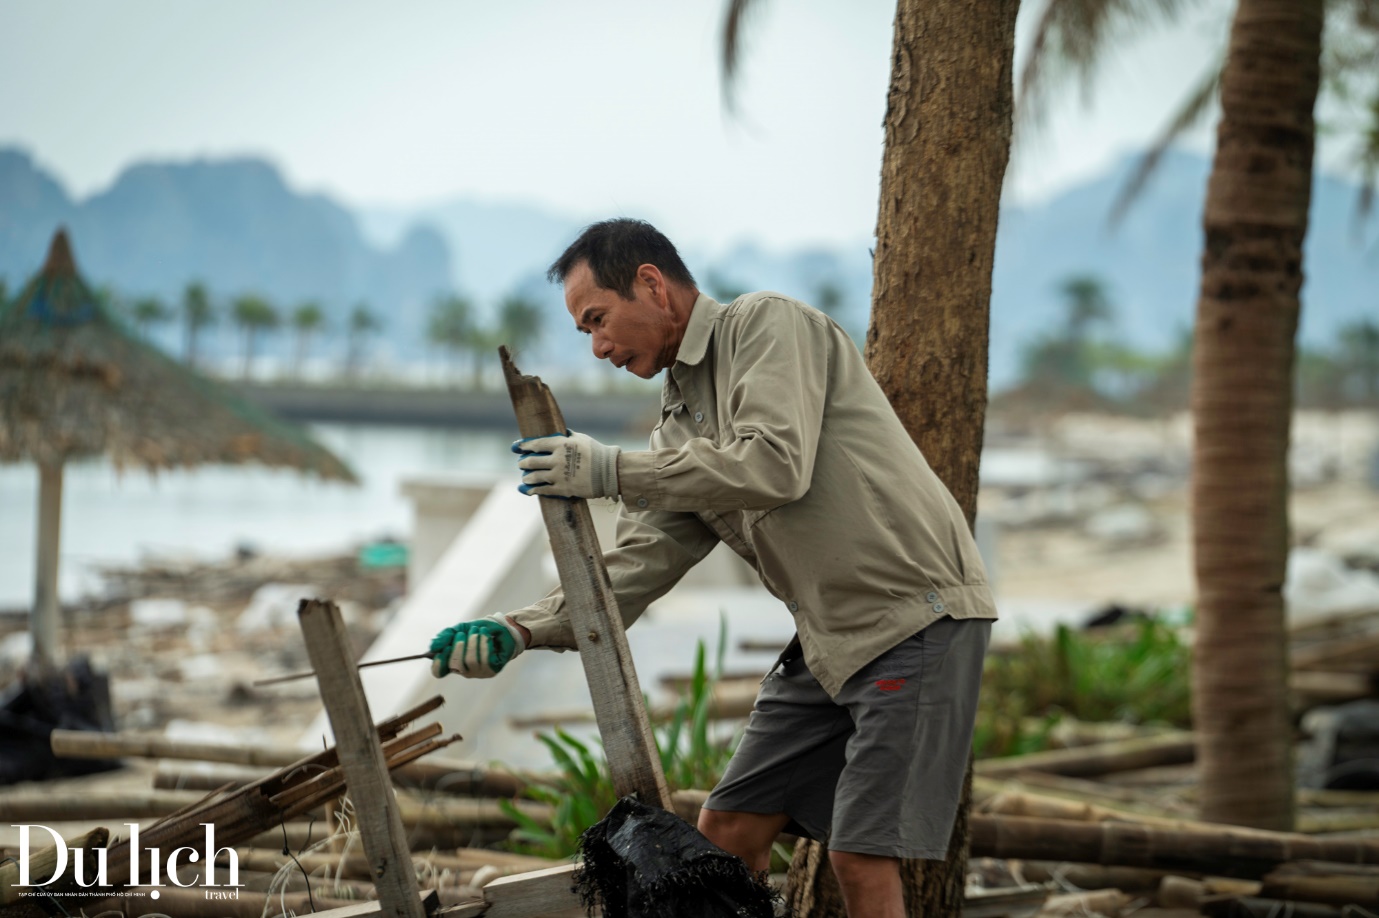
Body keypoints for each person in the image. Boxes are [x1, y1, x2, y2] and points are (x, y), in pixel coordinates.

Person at [429, 218, 996, 918]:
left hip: (914, 616)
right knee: (726, 830)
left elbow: (773, 464)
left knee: (858, 853)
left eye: (598, 320)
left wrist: (606, 469)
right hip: (827, 642)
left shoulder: (767, 326)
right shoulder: (676, 429)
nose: (599, 346)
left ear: (651, 284)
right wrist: (516, 629)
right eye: (586, 334)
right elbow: (633, 569)